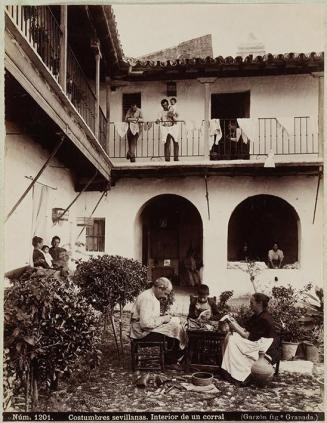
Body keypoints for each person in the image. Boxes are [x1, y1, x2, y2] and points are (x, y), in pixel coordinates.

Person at [221, 293, 279, 383]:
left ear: (259, 304)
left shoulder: (264, 319)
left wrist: (234, 326)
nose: (250, 305)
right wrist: (234, 322)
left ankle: (237, 373)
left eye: (252, 303)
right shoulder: (257, 315)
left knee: (232, 339)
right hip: (256, 342)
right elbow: (245, 330)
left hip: (264, 347)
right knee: (231, 335)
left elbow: (248, 336)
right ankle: (227, 369)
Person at [130, 277, 186, 365]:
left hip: (145, 330)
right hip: (141, 333)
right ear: (159, 288)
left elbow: (150, 318)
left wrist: (165, 318)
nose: (165, 296)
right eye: (165, 293)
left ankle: (170, 360)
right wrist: (163, 319)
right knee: (176, 329)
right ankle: (171, 361)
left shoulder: (152, 295)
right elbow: (145, 324)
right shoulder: (147, 298)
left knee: (176, 325)